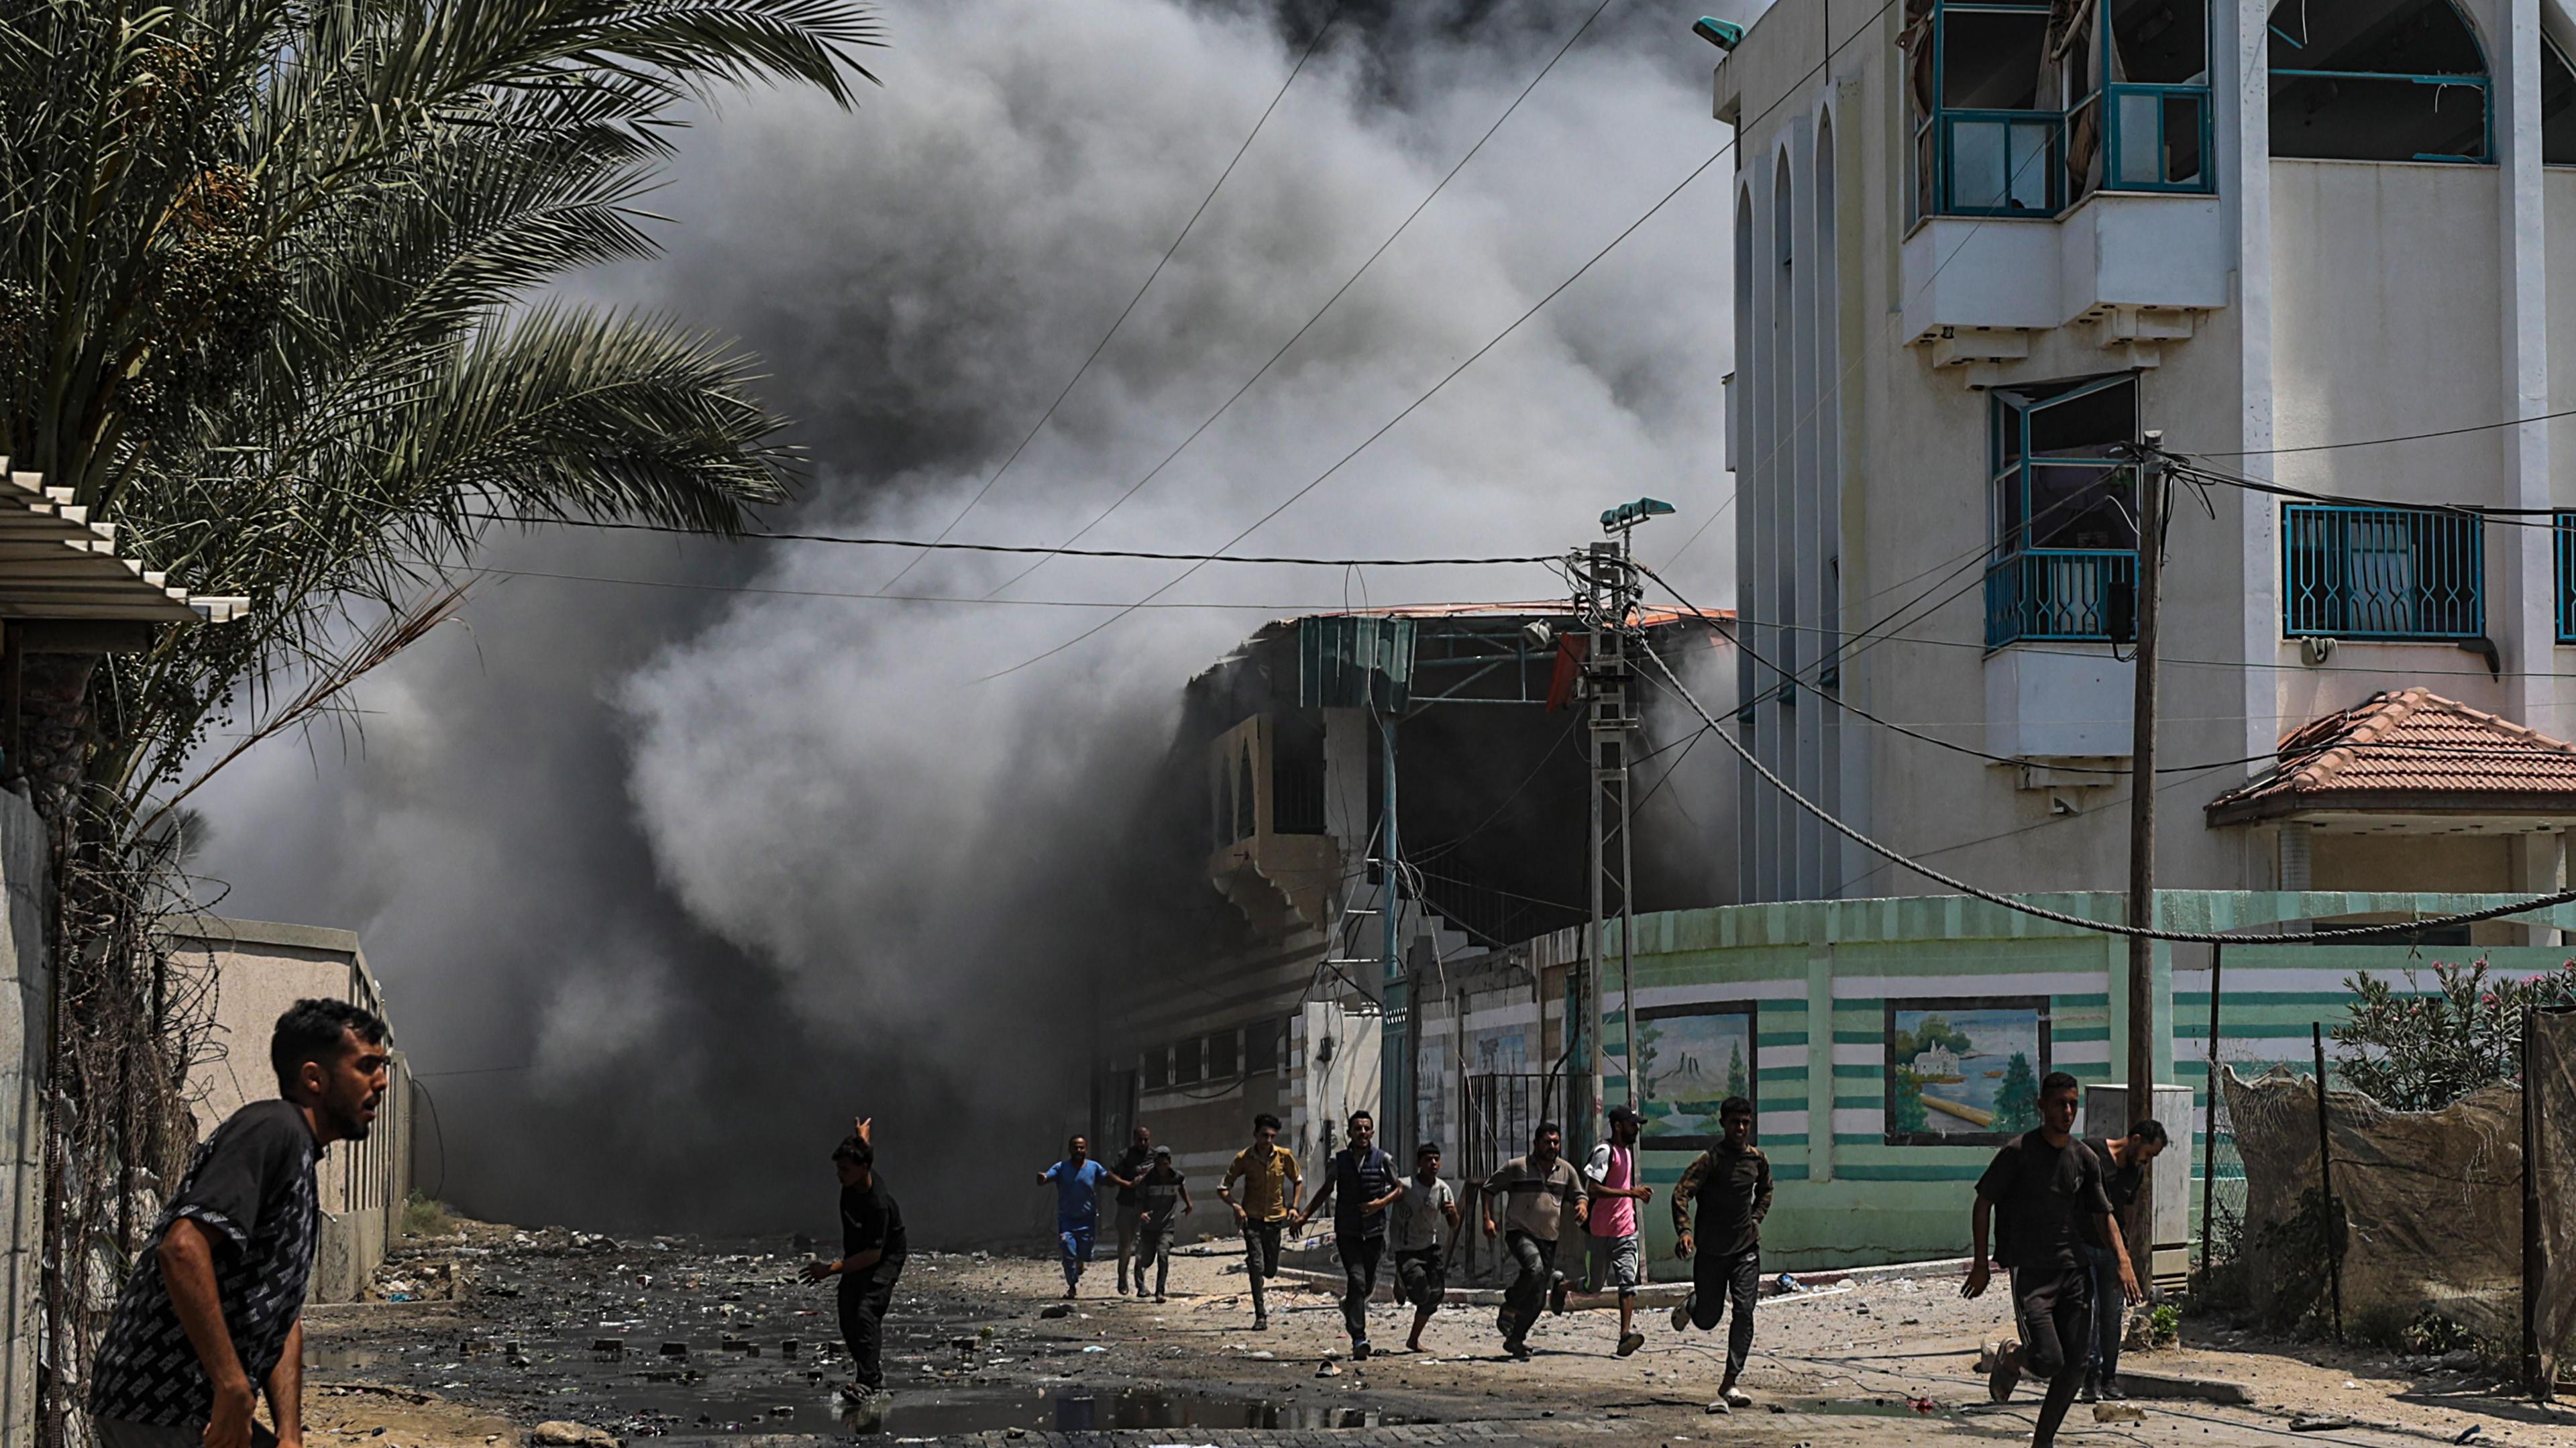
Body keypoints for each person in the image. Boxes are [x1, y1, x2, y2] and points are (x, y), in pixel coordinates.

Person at [88, 999, 390, 1448]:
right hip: (161, 1406)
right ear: (314, 1077)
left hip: (200, 1408)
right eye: (367, 1066)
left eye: (382, 1066)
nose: (381, 1081)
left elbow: (281, 1313)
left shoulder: (301, 1154)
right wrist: (233, 1386)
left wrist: (290, 1432)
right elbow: (183, 1247)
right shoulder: (272, 1128)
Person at [1964, 1072, 2143, 1448]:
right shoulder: (2018, 1153)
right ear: (2042, 1105)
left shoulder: (2083, 1158)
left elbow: (2103, 1213)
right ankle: (2013, 1357)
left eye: (2073, 1104)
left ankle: (2042, 1442)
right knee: (2048, 1360)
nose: (2067, 1111)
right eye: (2060, 1103)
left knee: (2076, 1365)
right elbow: (1983, 1203)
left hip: (2074, 1271)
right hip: (2032, 1272)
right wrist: (1982, 1265)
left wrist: (2123, 1260)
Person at [1670, 1097, 1772, 1408]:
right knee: (1708, 1319)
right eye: (1734, 1122)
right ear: (1723, 1124)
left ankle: (1730, 1382)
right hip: (1712, 1252)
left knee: (1744, 1310)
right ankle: (1693, 1304)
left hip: (1745, 1250)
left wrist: (1755, 1219)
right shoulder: (1709, 1160)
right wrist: (1685, 1232)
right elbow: (1681, 1193)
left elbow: (1766, 1190)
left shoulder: (1757, 1160)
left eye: (1745, 1123)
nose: (1740, 1128)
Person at [802, 1120, 906, 1416]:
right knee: (846, 1310)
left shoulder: (877, 1204)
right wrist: (862, 1139)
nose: (839, 1176)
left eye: (845, 1170)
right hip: (859, 1250)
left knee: (866, 1310)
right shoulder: (852, 1183)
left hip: (885, 1254)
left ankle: (870, 1381)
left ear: (863, 1169)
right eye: (838, 1169)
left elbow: (874, 1256)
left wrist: (830, 1269)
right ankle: (869, 1373)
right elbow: (865, 1153)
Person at [1299, 1109, 1403, 1359]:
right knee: (1356, 1280)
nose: (1363, 1133)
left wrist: (1379, 1204)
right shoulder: (1339, 1161)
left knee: (1365, 1284)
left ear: (1373, 1132)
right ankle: (1359, 1338)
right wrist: (1304, 1215)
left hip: (1375, 1232)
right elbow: (1326, 1189)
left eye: (1367, 1128)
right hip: (1347, 1231)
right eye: (1358, 1129)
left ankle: (1348, 1306)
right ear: (1350, 1133)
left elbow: (1400, 1189)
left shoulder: (1383, 1159)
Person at [1480, 1120, 1587, 1359]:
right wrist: (1487, 1219)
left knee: (1539, 1299)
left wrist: (1582, 1207)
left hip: (1549, 1237)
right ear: (1536, 1143)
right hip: (1520, 1232)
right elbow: (1488, 1189)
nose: (1552, 1146)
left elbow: (1580, 1195)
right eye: (1547, 1142)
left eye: (1556, 1142)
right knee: (1534, 1267)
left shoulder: (1566, 1171)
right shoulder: (1517, 1167)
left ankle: (1516, 1339)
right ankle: (1510, 1306)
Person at [2079, 1118, 2169, 1402]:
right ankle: (2089, 1379)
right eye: (2148, 1154)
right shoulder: (2091, 1153)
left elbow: (2128, 1211)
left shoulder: (2135, 1172)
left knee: (2112, 1314)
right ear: (2136, 1139)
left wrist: (2125, 1253)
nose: (2147, 1161)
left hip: (2114, 1252)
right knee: (2090, 1314)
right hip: (2084, 1245)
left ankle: (2109, 1377)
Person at [1582, 1103, 1655, 1357]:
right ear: (1618, 1126)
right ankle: (1561, 1287)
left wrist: (1634, 1196)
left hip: (1626, 1230)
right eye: (1632, 1125)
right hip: (1600, 1231)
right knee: (1593, 1287)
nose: (1636, 1129)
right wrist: (1630, 1193)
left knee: (1628, 1282)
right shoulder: (1605, 1151)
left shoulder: (1627, 1152)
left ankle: (1625, 1335)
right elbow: (1593, 1188)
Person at [1218, 1112, 1302, 1330]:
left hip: (1275, 1220)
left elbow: (1298, 1180)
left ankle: (1258, 1265)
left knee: (1270, 1269)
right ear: (1255, 1135)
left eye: (1272, 1136)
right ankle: (1261, 1315)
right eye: (1265, 1135)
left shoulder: (1284, 1156)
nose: (1268, 1141)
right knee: (1257, 1265)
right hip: (1252, 1219)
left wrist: (1294, 1207)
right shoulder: (1243, 1158)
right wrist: (1236, 1207)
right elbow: (1224, 1188)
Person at [1387, 1140, 1461, 1354]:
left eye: (1436, 1159)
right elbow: (1384, 1199)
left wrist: (1452, 1212)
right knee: (1420, 1290)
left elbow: (1454, 1224)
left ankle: (1413, 1340)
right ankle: (1402, 1278)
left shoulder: (1443, 1190)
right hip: (1406, 1247)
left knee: (1435, 1294)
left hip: (1429, 1247)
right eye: (1428, 1160)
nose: (1433, 1163)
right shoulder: (1405, 1185)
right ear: (1419, 1163)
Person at [1037, 1135, 1110, 1298]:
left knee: (1085, 1254)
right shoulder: (1061, 1167)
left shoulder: (1094, 1167)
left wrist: (1123, 1181)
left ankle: (1081, 1262)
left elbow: (1107, 1178)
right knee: (1067, 1249)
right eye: (1076, 1148)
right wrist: (1043, 1178)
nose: (1079, 1151)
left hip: (1088, 1219)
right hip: (1067, 1220)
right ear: (1070, 1150)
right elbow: (1048, 1176)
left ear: (1086, 1149)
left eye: (1082, 1148)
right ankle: (1072, 1286)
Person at [1130, 1145, 1193, 1302]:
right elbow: (1138, 1200)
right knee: (1146, 1260)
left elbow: (1181, 1188)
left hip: (1166, 1225)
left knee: (1163, 1255)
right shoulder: (1147, 1180)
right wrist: (1141, 1213)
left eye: (1165, 1164)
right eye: (1159, 1164)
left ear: (1169, 1162)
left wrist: (1188, 1204)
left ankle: (1160, 1292)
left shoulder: (1177, 1177)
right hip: (1149, 1227)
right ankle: (1141, 1286)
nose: (1162, 1168)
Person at [1108, 1125, 1155, 1297]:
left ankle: (1140, 1283)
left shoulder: (1154, 1155)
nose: (1143, 1143)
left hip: (1146, 1207)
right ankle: (1122, 1277)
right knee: (1125, 1245)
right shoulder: (1125, 1155)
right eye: (1140, 1140)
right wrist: (1127, 1184)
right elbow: (1110, 1174)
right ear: (1134, 1139)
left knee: (1142, 1246)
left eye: (1146, 1140)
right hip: (1127, 1205)